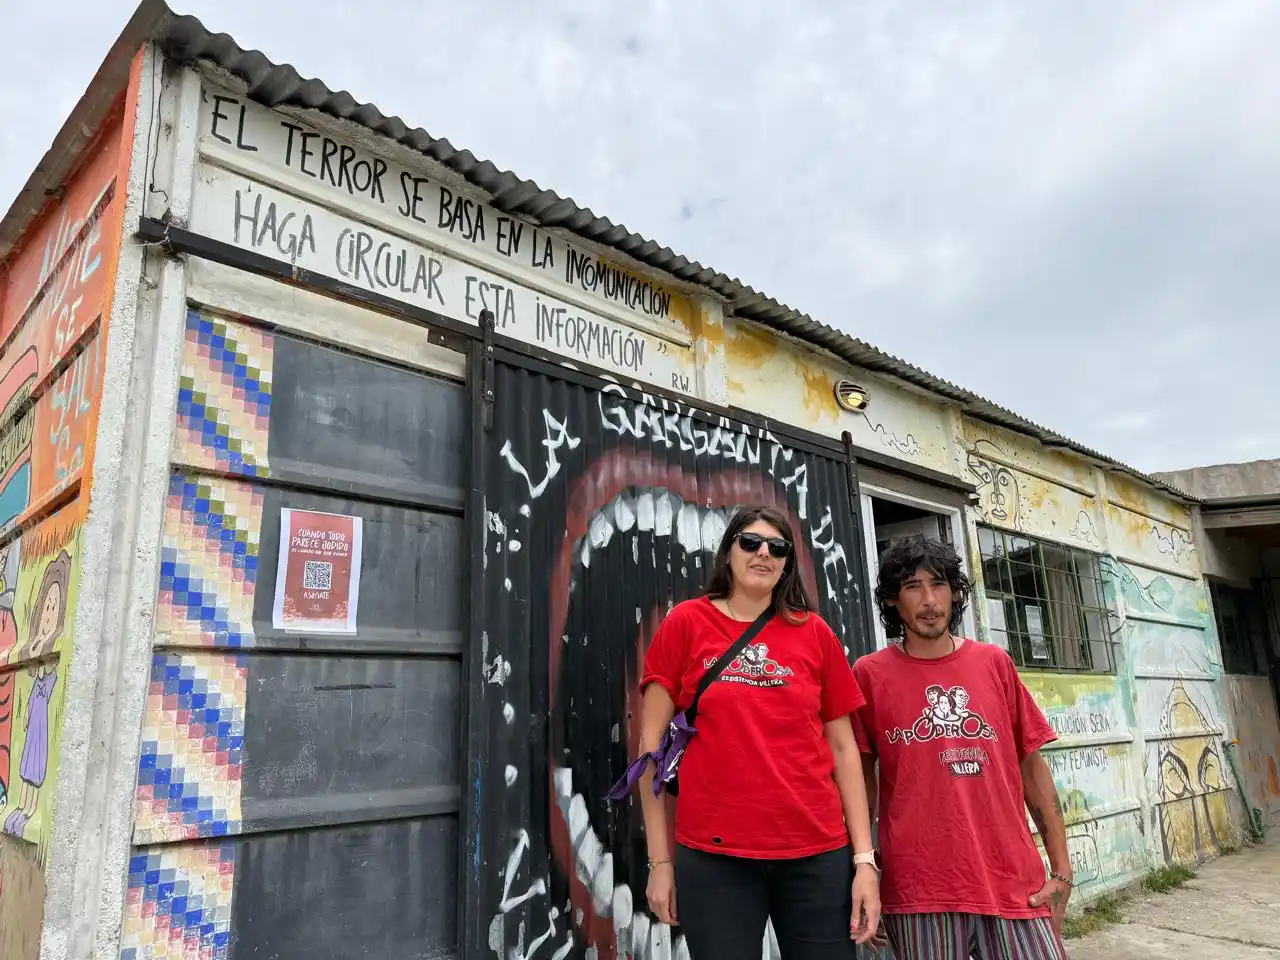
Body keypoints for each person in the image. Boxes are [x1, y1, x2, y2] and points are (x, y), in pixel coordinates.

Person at [630, 504, 880, 958]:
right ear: (729, 552)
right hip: (714, 857)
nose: (763, 553)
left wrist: (864, 861)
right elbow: (649, 751)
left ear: (786, 564)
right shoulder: (685, 623)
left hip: (816, 852)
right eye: (751, 542)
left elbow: (844, 750)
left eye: (777, 548)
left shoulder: (815, 633)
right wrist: (660, 862)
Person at [852, 535, 1072, 960]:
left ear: (955, 593)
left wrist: (1061, 870)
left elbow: (1031, 768)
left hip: (1013, 881)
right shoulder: (869, 675)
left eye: (938, 585)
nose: (929, 600)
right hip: (920, 890)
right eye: (913, 587)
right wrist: (863, 870)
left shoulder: (994, 663)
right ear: (893, 601)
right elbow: (862, 785)